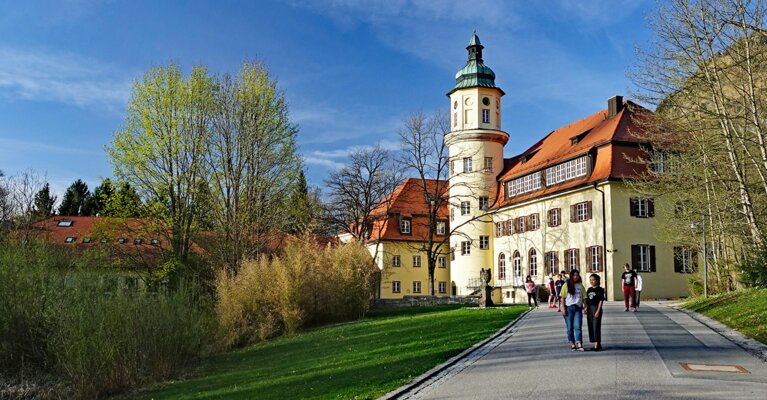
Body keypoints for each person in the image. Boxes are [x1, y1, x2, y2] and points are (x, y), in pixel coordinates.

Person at [560, 269, 586, 351]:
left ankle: (579, 343)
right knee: (569, 327)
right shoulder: (566, 285)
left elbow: (584, 297)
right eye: (574, 275)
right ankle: (572, 343)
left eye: (577, 275)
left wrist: (586, 307)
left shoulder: (580, 286)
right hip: (569, 308)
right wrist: (563, 308)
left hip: (578, 308)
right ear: (571, 276)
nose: (575, 277)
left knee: (578, 326)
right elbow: (562, 298)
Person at [585, 273, 605, 351]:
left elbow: (601, 300)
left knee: (596, 326)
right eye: (590, 280)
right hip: (590, 308)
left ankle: (597, 343)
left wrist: (598, 310)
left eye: (593, 280)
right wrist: (585, 307)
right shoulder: (589, 289)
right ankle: (597, 343)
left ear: (597, 280)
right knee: (591, 326)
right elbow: (586, 299)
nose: (591, 281)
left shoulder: (600, 289)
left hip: (596, 308)